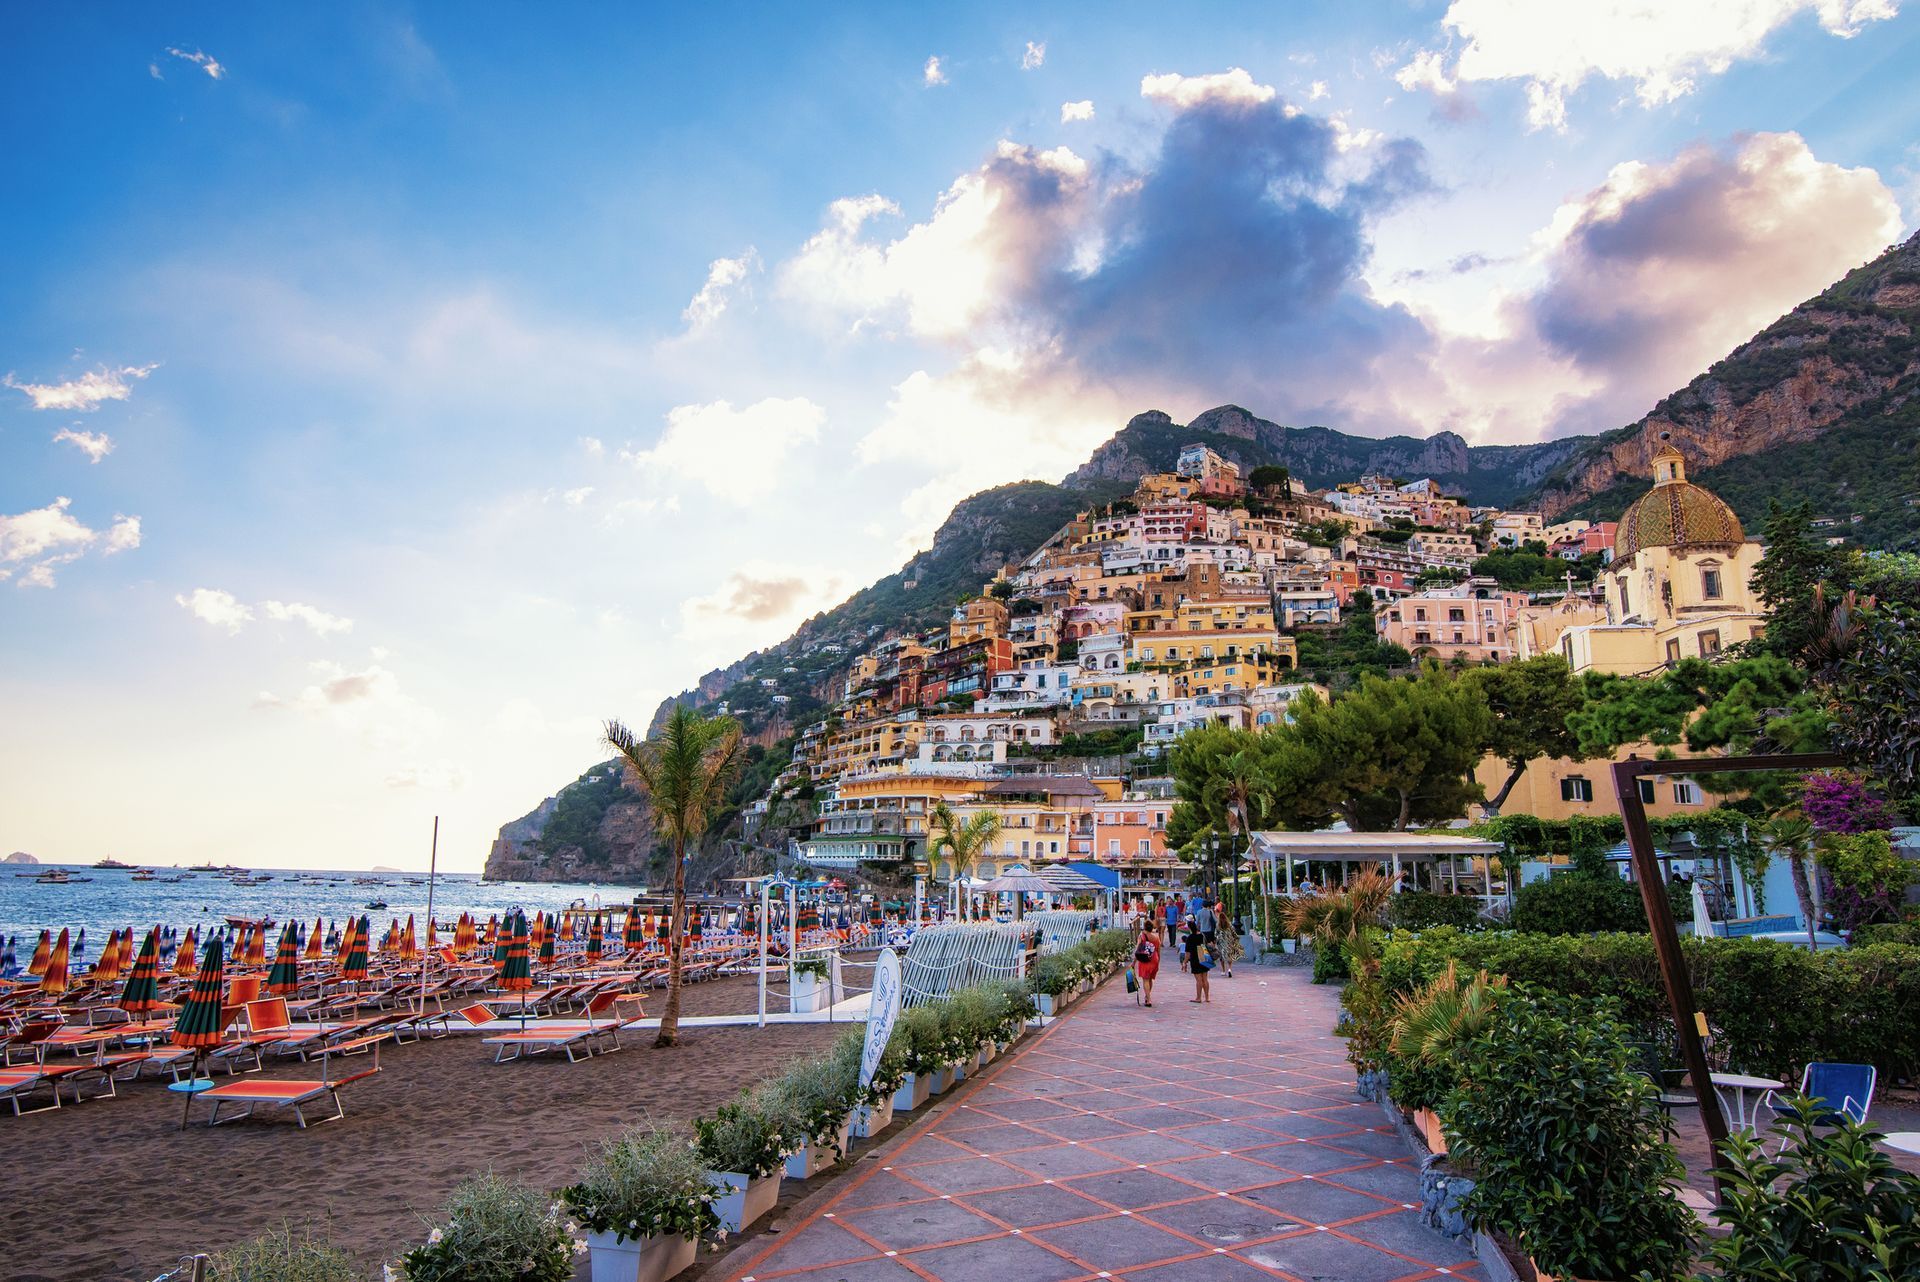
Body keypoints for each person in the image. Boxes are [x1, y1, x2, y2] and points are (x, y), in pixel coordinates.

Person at [1133, 920, 1161, 1008]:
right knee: (1150, 979)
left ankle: (1148, 999)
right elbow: (1158, 951)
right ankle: (1147, 996)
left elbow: (1138, 950)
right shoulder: (1156, 937)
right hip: (1154, 959)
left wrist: (1133, 963)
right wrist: (1158, 962)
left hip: (1145, 959)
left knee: (1145, 980)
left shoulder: (1142, 936)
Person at [1184, 916, 1212, 1003]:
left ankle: (1198, 997)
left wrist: (1184, 962)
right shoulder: (1202, 935)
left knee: (1199, 979)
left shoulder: (1190, 938)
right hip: (1203, 953)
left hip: (1195, 957)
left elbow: (1188, 952)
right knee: (1205, 978)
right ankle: (1207, 997)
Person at [1163, 896, 1185, 970]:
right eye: (1168, 901)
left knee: (1173, 933)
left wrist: (1177, 921)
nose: (1169, 902)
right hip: (1169, 921)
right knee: (1170, 933)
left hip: (1174, 922)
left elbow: (1177, 914)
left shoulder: (1175, 907)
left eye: (1170, 901)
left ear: (1172, 901)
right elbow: (1165, 914)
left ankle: (1173, 943)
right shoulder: (1167, 907)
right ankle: (1171, 942)